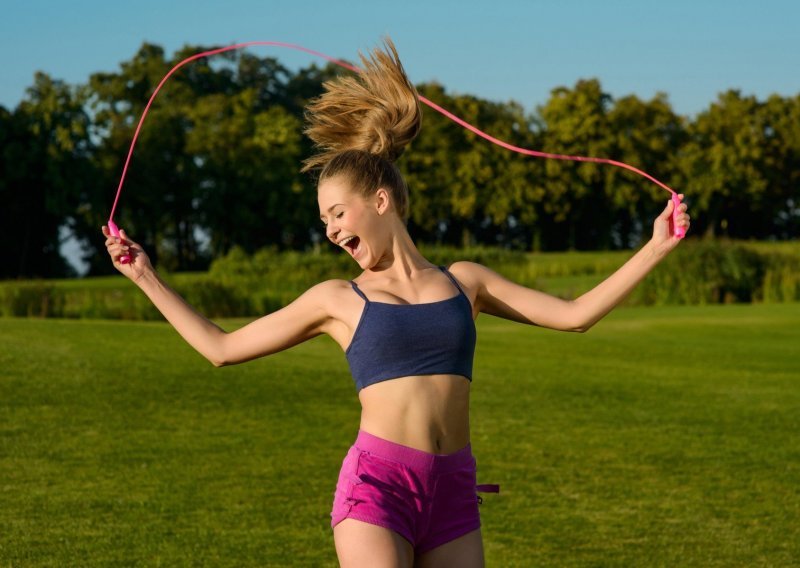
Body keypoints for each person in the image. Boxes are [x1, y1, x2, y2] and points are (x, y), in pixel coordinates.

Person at [102, 38, 690, 568]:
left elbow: (575, 315)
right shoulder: (338, 299)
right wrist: (145, 276)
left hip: (454, 489)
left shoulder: (466, 282)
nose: (331, 231)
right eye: (323, 221)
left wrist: (656, 246)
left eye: (337, 213)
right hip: (378, 487)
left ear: (381, 200)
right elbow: (221, 348)